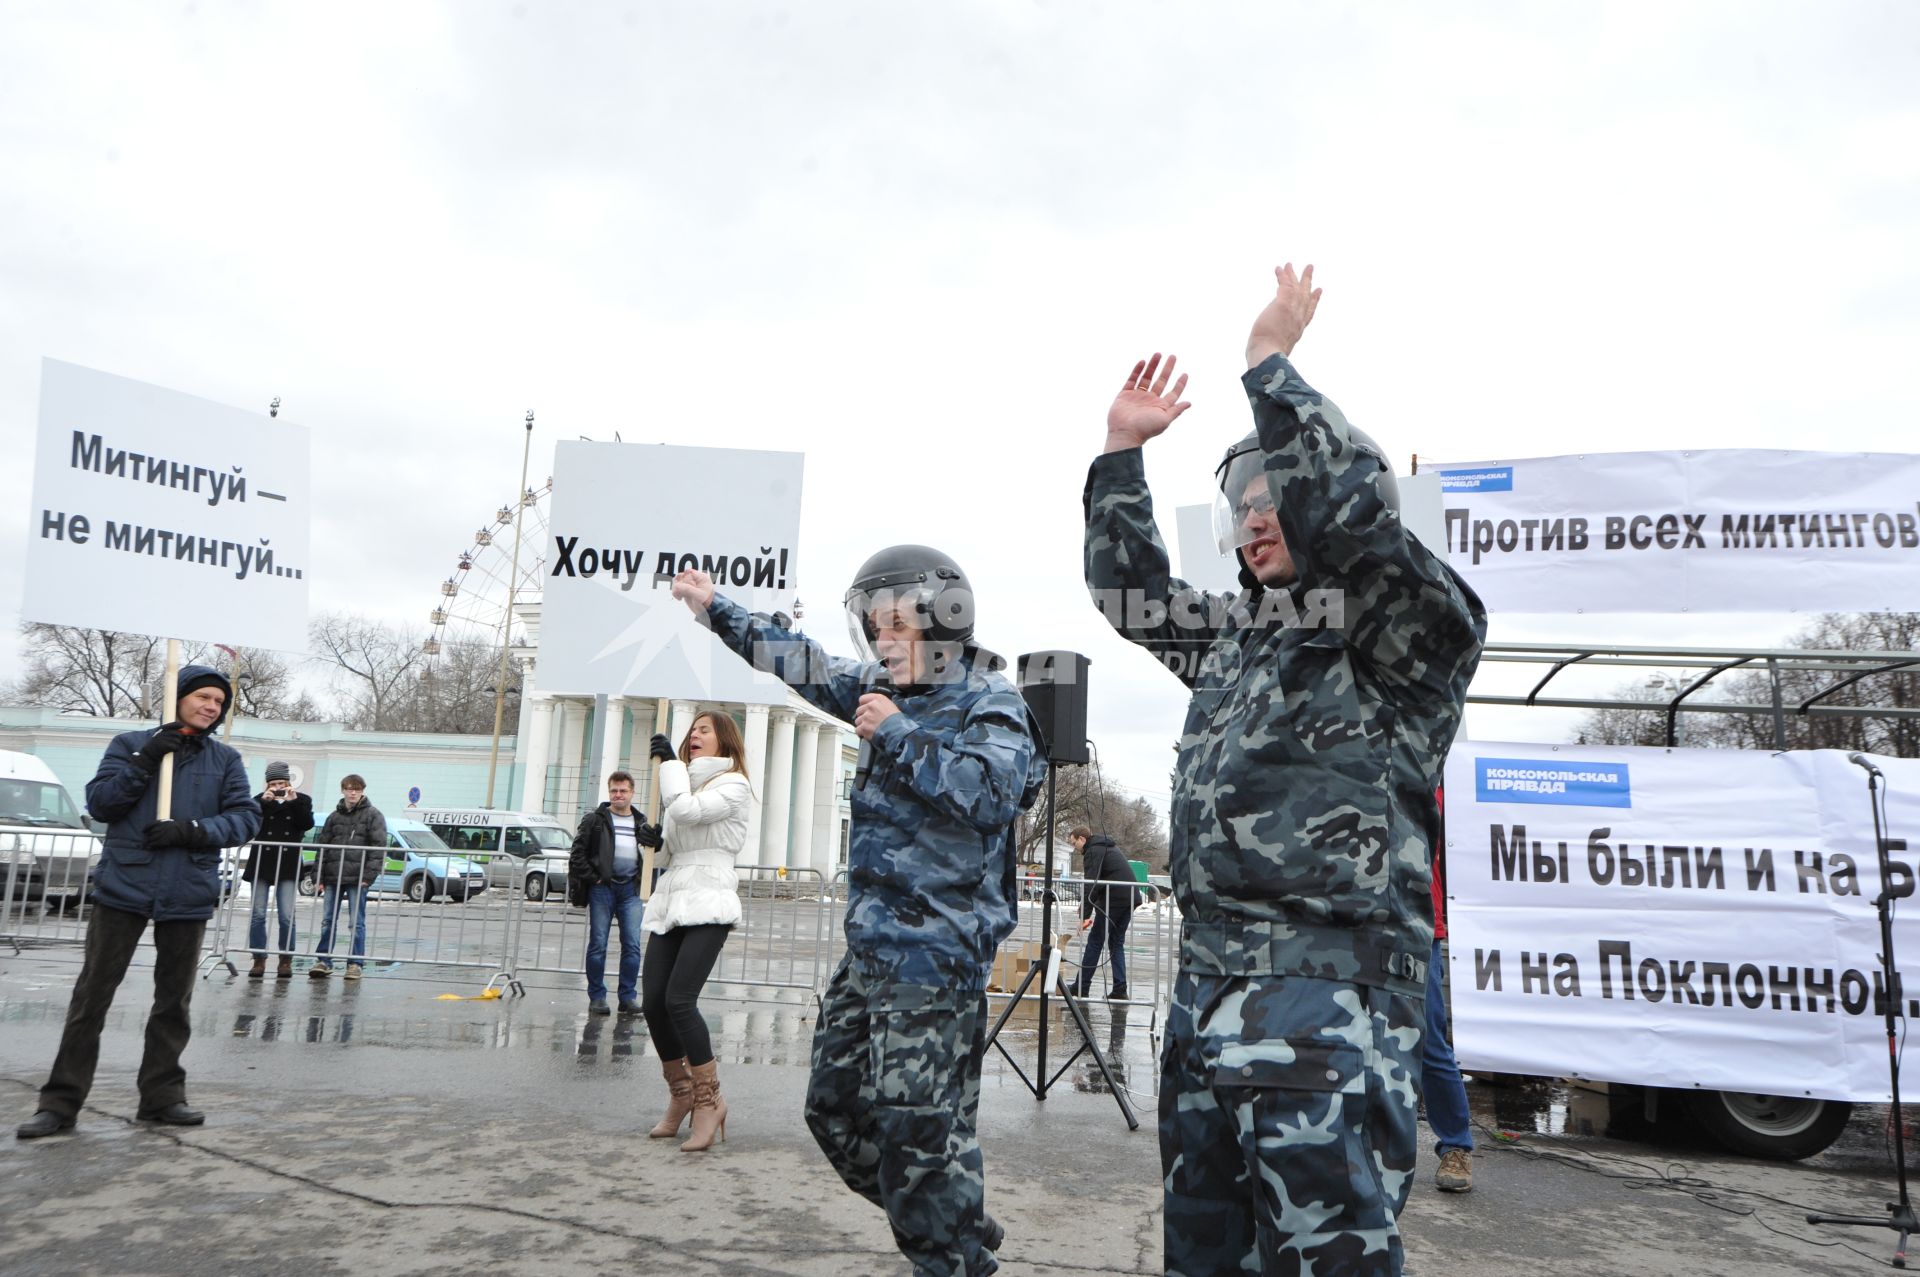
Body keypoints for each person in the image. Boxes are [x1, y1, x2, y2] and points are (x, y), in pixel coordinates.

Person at [1083, 262, 1485, 1275]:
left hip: (1327, 1005)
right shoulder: (1240, 638)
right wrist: (1121, 454)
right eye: (1242, 500)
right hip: (1209, 1003)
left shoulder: (1403, 634)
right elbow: (1129, 592)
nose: (1256, 515)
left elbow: (1355, 526)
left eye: (1275, 495)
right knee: (1206, 1256)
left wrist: (1270, 365)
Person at [671, 546, 1045, 1277]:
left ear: (944, 621)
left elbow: (994, 796)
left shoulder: (987, 699)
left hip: (935, 954)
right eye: (874, 629)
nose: (882, 642)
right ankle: (952, 1217)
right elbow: (801, 661)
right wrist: (715, 608)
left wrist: (899, 735)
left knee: (916, 1127)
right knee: (833, 1114)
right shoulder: (878, 688)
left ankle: (947, 1255)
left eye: (897, 625)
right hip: (870, 951)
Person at [17, 664, 261, 1139]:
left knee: (174, 1003)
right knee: (91, 998)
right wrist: (146, 760)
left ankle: (162, 1097)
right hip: (123, 888)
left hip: (187, 891)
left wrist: (193, 831)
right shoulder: (129, 744)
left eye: (219, 702)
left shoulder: (225, 759)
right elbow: (102, 804)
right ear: (179, 696)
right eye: (204, 697)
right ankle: (60, 1103)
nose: (211, 706)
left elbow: (244, 819)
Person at [637, 714, 754, 1151]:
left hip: (709, 898)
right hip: (674, 897)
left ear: (724, 739)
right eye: (692, 731)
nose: (694, 736)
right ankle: (681, 1094)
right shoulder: (683, 786)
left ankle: (710, 1100)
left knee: (679, 1000)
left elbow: (686, 811)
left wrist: (670, 765)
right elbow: (674, 843)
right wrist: (654, 839)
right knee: (652, 1003)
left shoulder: (734, 784)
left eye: (704, 730)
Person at [569, 770, 658, 1017]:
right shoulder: (595, 820)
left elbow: (653, 853)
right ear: (609, 792)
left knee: (632, 945)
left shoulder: (640, 822)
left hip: (630, 890)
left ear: (632, 792)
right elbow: (577, 855)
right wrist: (595, 877)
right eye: (614, 791)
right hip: (602, 889)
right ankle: (597, 996)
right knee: (598, 944)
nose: (618, 795)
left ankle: (627, 997)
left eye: (623, 791)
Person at [1425, 793, 1474, 1193]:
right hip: (1353, 923)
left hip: (1418, 926)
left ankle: (1456, 1147)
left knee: (1428, 1040)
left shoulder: (1444, 786)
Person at [310, 775, 386, 980]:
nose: (353, 792)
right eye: (349, 788)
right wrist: (318, 876)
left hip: (358, 877)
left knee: (356, 922)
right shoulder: (333, 817)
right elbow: (323, 848)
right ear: (342, 790)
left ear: (363, 791)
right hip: (333, 876)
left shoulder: (373, 815)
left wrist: (368, 877)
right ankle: (323, 960)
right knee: (327, 920)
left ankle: (355, 963)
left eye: (357, 789)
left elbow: (378, 849)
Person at [243, 761, 313, 979]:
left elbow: (306, 825)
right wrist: (264, 803)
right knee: (257, 914)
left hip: (288, 864)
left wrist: (293, 802)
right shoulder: (258, 801)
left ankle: (285, 958)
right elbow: (251, 826)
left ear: (289, 783)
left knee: (286, 915)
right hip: (262, 862)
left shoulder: (302, 800)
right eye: (273, 784)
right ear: (267, 785)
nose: (278, 787)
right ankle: (259, 958)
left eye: (282, 783)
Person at [1068, 826, 1138, 1001]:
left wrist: (1084, 916)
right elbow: (1101, 881)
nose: (1074, 847)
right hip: (1129, 897)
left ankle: (1081, 987)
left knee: (1095, 941)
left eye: (1074, 842)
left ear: (1082, 839)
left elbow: (1091, 883)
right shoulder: (1106, 847)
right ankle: (1120, 988)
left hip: (1115, 899)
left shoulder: (1093, 851)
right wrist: (1085, 907)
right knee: (1116, 943)